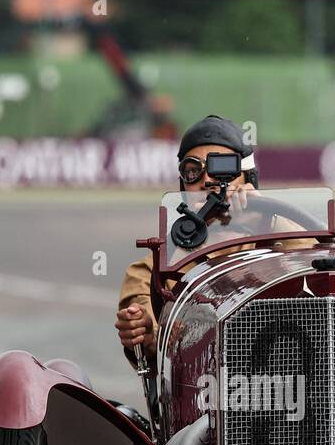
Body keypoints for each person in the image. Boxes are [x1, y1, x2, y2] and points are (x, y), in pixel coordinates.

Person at [114, 114, 309, 368]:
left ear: (246, 178)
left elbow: (323, 268)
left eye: (221, 169)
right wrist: (148, 334)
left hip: (282, 384)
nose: (207, 180)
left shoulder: (282, 241)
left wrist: (263, 216)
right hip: (198, 391)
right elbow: (145, 330)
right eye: (193, 171)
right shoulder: (153, 269)